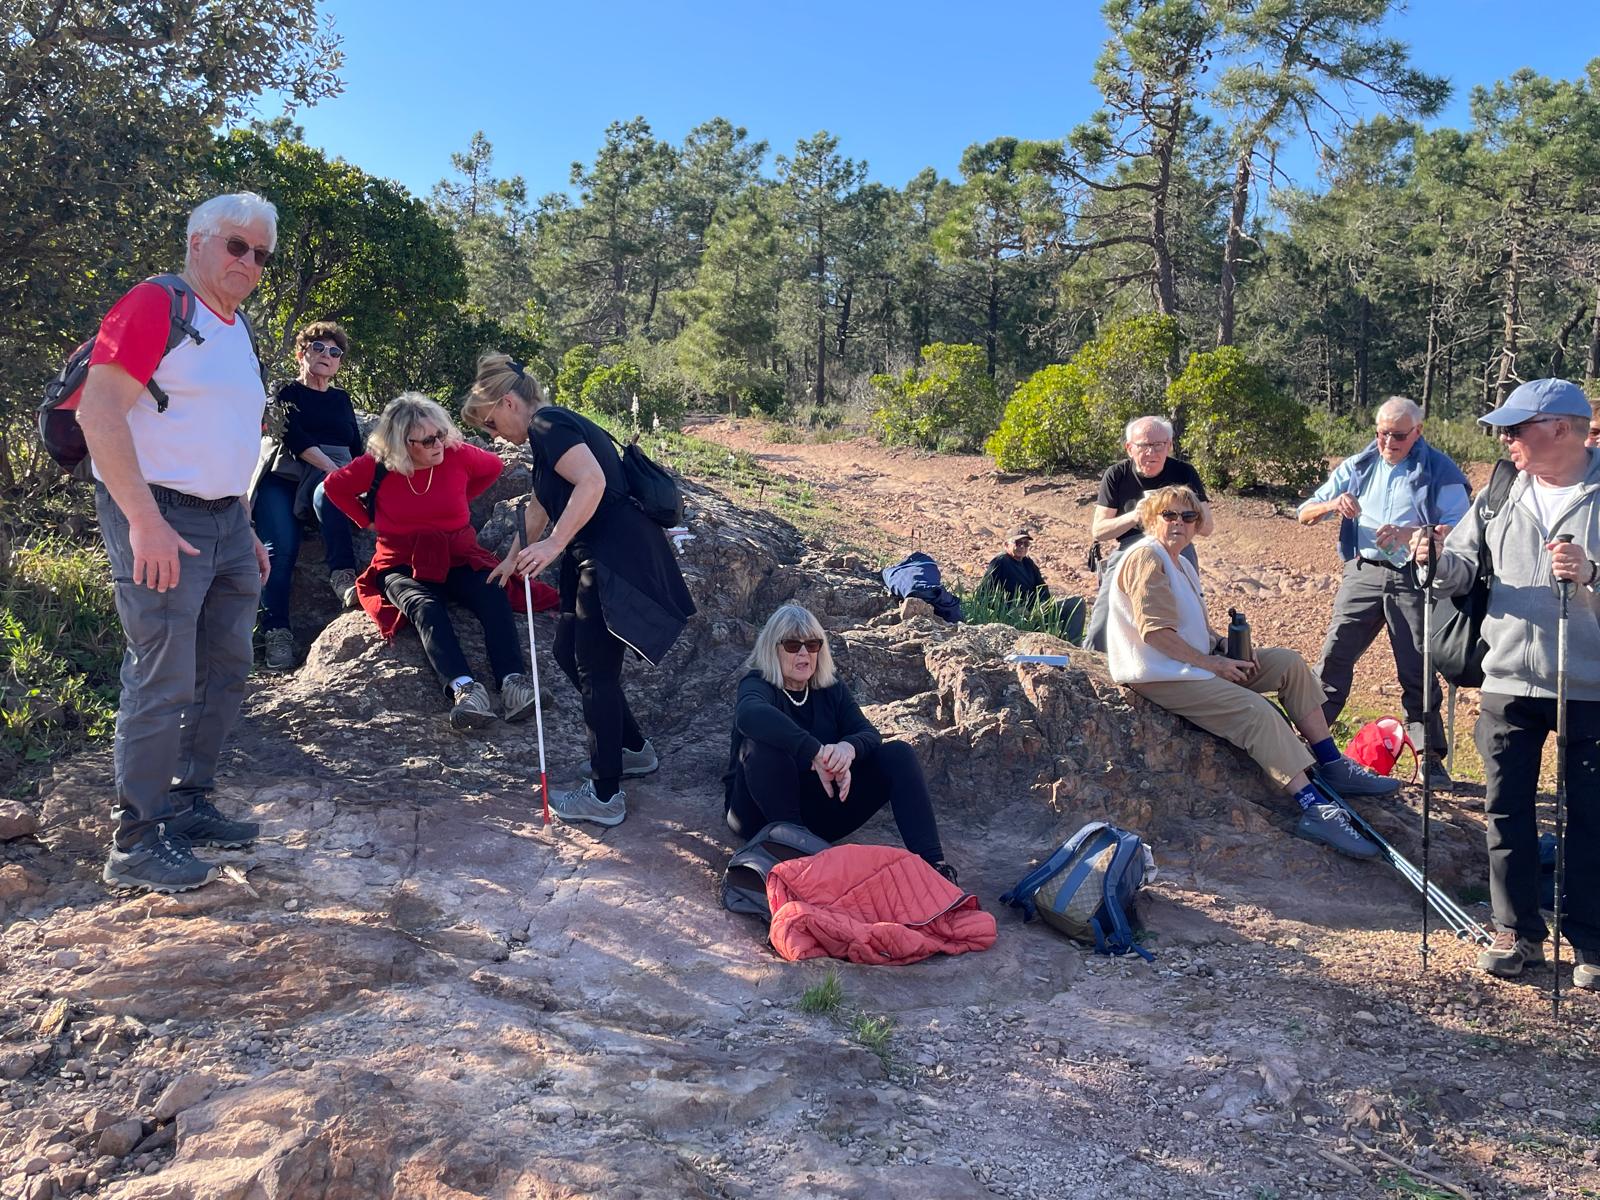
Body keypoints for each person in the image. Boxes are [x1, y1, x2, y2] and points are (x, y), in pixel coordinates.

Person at [77, 192, 277, 893]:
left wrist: (245, 524)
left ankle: (187, 804)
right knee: (162, 673)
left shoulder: (237, 328)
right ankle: (136, 838)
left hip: (227, 521)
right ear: (197, 241)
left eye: (261, 254)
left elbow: (231, 435)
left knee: (225, 668)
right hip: (160, 514)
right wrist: (144, 520)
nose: (249, 262)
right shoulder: (156, 304)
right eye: (236, 246)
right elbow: (99, 411)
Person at [1413, 379, 1599, 987]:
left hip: (1592, 686)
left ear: (1562, 429)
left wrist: (1592, 573)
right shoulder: (1500, 490)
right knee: (1506, 810)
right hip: (1509, 678)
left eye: (1517, 428)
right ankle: (1517, 932)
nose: (1505, 439)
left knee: (1592, 816)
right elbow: (1465, 566)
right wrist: (1436, 563)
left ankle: (1592, 940)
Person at [1107, 485, 1403, 860]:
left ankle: (1331, 762)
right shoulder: (1147, 557)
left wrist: (1222, 647)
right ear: (1152, 519)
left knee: (1288, 664)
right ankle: (1314, 807)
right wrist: (1213, 664)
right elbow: (1155, 633)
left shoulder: (1180, 562)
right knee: (1256, 712)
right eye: (1169, 515)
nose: (1179, 523)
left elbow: (1189, 627)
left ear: (1196, 524)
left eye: (1188, 516)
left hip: (1190, 664)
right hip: (1160, 675)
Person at [463, 353, 695, 827]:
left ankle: (605, 795)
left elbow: (593, 482)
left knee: (595, 669)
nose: (493, 435)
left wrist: (553, 545)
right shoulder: (549, 433)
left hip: (612, 558)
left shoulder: (547, 425)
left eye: (490, 423)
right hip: (592, 554)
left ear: (508, 403)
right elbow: (539, 506)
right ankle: (632, 749)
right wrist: (512, 557)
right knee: (569, 652)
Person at [322, 393, 551, 730]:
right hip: (400, 561)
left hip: (457, 554)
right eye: (428, 440)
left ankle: (513, 683)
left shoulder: (457, 454)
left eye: (441, 434)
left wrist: (459, 496)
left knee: (493, 591)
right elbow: (333, 487)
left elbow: (493, 468)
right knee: (424, 607)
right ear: (403, 444)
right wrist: (366, 520)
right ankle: (466, 691)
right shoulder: (376, 465)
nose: (439, 444)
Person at [1298, 396, 1470, 790]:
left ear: (1418, 432)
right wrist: (1332, 504)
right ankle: (1310, 744)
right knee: (1335, 655)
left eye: (1398, 435)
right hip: (1363, 572)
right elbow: (1304, 512)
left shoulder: (1440, 470)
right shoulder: (1359, 465)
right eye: (1382, 434)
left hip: (1413, 575)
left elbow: (1462, 527)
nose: (1388, 442)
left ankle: (1429, 756)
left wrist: (1413, 534)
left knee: (1417, 664)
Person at [725, 604, 959, 882]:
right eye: (792, 645)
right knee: (759, 746)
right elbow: (750, 715)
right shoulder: (757, 683)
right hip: (760, 814)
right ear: (773, 649)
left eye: (812, 645)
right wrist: (815, 751)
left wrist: (847, 750)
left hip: (819, 812)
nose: (804, 653)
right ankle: (798, 855)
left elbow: (868, 733)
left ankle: (935, 869)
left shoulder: (830, 688)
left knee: (899, 754)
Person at [249, 320, 365, 672]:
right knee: (280, 549)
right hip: (287, 474)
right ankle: (276, 633)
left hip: (331, 475)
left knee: (329, 495)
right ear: (302, 354)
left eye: (335, 352)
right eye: (318, 347)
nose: (327, 355)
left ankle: (343, 576)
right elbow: (293, 437)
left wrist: (361, 482)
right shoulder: (286, 392)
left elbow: (355, 447)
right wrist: (332, 469)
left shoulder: (342, 399)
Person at [1085, 416, 1212, 652]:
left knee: (1189, 611)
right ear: (1129, 448)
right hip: (1131, 546)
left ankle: (1197, 656)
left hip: (1178, 546)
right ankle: (1092, 659)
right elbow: (1099, 530)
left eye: (1158, 445)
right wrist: (1136, 515)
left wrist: (1179, 515)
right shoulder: (1117, 475)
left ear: (1169, 445)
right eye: (1143, 445)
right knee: (1105, 614)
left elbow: (1207, 527)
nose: (1151, 452)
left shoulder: (1184, 472)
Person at [979, 527, 1085, 642]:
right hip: (1016, 617)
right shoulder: (1000, 562)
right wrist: (1011, 609)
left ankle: (1072, 644)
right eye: (1018, 543)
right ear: (1006, 545)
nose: (1022, 547)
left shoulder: (1028, 563)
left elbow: (1042, 589)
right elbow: (982, 595)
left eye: (1026, 544)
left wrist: (1042, 605)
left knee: (1077, 602)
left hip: (1036, 612)